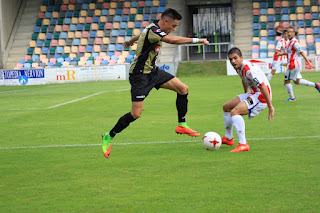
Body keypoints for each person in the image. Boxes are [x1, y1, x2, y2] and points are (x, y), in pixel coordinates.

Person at [101, 8, 209, 158]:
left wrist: (131, 41)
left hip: (153, 72)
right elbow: (171, 41)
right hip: (140, 76)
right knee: (135, 114)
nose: (173, 29)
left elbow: (142, 33)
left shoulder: (152, 28)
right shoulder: (155, 31)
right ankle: (109, 135)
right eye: (173, 26)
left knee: (183, 89)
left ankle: (182, 125)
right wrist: (197, 40)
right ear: (165, 21)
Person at [222, 47, 274, 152]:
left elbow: (263, 87)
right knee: (226, 107)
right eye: (231, 59)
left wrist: (270, 106)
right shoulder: (238, 67)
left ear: (241, 58)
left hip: (261, 96)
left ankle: (243, 144)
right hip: (253, 92)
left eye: (235, 58)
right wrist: (246, 94)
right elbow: (244, 80)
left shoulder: (250, 70)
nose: (233, 61)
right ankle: (228, 138)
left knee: (235, 112)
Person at [277, 27, 319, 101]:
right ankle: (316, 85)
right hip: (292, 65)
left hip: (293, 65)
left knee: (286, 81)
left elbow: (301, 52)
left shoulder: (295, 43)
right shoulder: (289, 42)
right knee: (297, 81)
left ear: (294, 33)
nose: (289, 34)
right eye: (288, 32)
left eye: (290, 32)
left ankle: (292, 98)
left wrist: (308, 62)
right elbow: (289, 52)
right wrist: (281, 54)